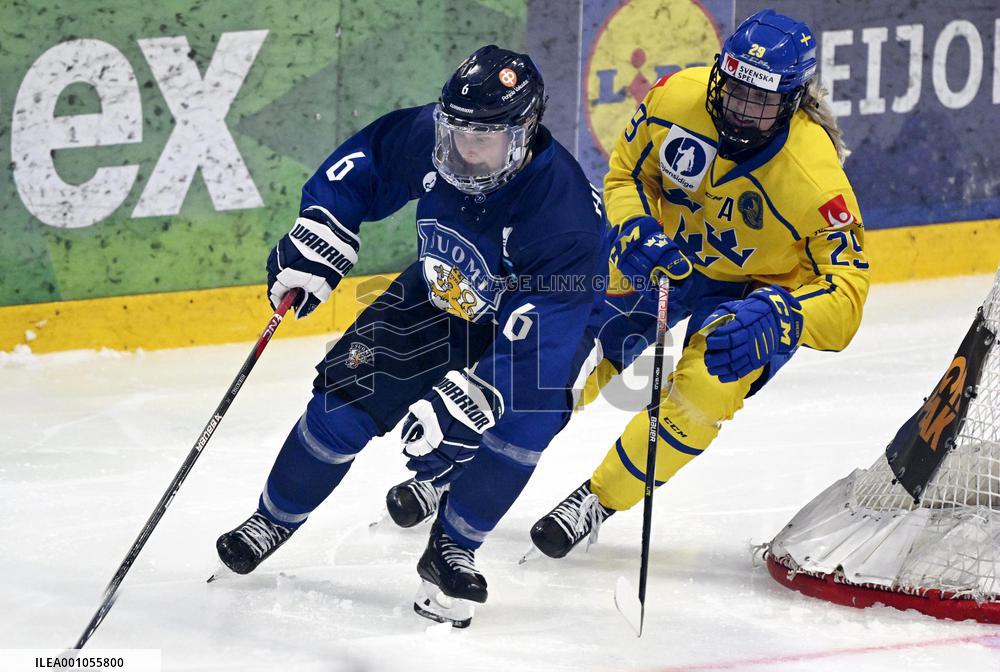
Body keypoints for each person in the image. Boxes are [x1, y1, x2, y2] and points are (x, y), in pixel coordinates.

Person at [214, 45, 609, 627]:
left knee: (523, 425)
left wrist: (484, 391)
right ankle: (273, 518)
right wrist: (323, 223)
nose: (466, 148)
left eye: (485, 137)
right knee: (341, 406)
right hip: (440, 292)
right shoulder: (434, 134)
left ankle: (453, 549)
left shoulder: (564, 213)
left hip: (535, 327)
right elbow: (367, 162)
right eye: (459, 131)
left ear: (524, 133)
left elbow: (548, 328)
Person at [525, 9, 872, 556]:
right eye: (735, 88)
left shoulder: (815, 178)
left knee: (707, 388)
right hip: (668, 256)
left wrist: (786, 315)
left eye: (760, 100)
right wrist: (635, 227)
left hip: (754, 294)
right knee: (574, 340)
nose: (740, 107)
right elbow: (627, 174)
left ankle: (598, 498)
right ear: (719, 73)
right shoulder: (674, 100)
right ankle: (479, 450)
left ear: (792, 101)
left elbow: (847, 293)